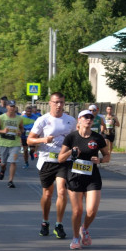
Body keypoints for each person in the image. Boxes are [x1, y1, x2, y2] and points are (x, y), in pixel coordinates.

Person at [57, 109, 110, 250]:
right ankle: (75, 238)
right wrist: (71, 151)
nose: (88, 119)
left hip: (92, 177)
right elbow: (60, 158)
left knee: (92, 210)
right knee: (77, 211)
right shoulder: (71, 137)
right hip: (74, 177)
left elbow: (107, 156)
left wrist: (100, 160)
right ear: (79, 120)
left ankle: (84, 228)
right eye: (85, 117)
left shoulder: (97, 137)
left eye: (91, 118)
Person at [28, 92, 77, 239]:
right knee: (47, 194)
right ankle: (45, 222)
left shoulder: (71, 120)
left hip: (64, 161)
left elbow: (76, 138)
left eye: (61, 102)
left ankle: (59, 224)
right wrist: (43, 140)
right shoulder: (43, 120)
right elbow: (30, 140)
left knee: (62, 191)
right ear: (50, 103)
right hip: (46, 161)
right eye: (56, 102)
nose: (59, 105)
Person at [0, 101, 25, 188]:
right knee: (3, 163)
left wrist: (20, 132)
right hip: (4, 143)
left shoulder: (19, 118)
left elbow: (22, 129)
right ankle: (3, 170)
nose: (12, 108)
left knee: (13, 161)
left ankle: (10, 181)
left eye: (13, 106)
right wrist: (2, 131)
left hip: (15, 143)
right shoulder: (2, 117)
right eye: (10, 106)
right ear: (7, 107)